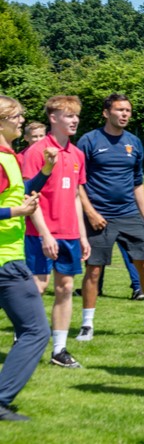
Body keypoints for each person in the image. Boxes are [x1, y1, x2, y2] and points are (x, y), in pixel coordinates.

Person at [75, 94, 144, 341]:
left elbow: (138, 183)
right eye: (119, 110)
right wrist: (91, 213)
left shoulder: (134, 142)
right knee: (93, 270)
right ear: (106, 113)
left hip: (129, 214)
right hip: (99, 216)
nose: (125, 114)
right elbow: (78, 182)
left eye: (128, 111)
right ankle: (87, 325)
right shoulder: (89, 140)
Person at [21, 95, 91, 369]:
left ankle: (59, 349)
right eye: (68, 115)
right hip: (40, 233)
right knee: (37, 287)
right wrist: (45, 234)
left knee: (66, 287)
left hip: (70, 234)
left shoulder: (77, 154)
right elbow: (30, 196)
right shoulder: (36, 151)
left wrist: (82, 235)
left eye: (76, 115)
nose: (74, 120)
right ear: (53, 118)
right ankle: (23, 339)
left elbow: (75, 196)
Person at [0, 97, 50, 421]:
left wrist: (45, 172)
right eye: (17, 116)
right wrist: (17, 212)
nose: (22, 121)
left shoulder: (9, 157)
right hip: (7, 262)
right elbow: (13, 204)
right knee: (35, 331)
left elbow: (22, 190)